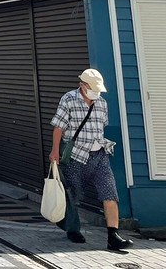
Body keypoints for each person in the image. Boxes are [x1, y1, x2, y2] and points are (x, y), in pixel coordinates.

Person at [50, 68, 133, 252]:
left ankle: (113, 236)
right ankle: (72, 229)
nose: (96, 92)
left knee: (110, 193)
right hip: (75, 156)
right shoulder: (68, 99)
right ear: (82, 85)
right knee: (74, 195)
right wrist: (55, 151)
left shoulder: (102, 103)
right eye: (92, 88)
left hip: (100, 155)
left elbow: (102, 126)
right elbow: (58, 127)